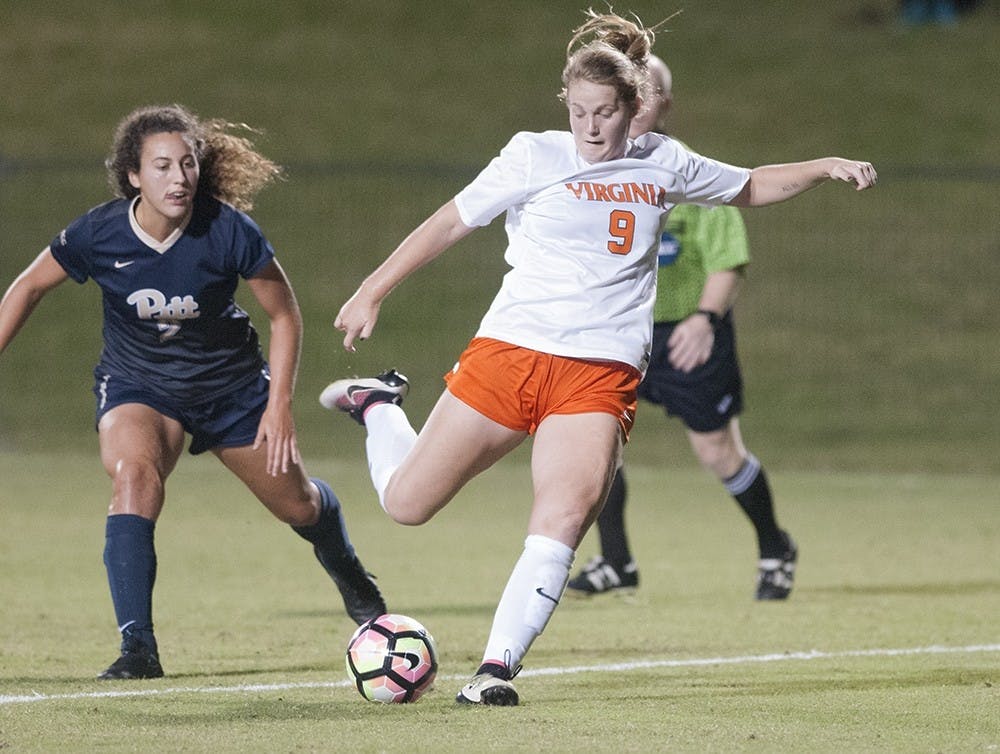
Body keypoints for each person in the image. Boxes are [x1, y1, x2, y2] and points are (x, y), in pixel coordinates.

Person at [321, 10, 876, 706]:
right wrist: (374, 289)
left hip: (598, 372)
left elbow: (752, 184)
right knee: (406, 504)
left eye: (606, 112)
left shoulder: (662, 161)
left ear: (633, 109)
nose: (590, 127)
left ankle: (495, 670)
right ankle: (378, 407)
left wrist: (825, 165)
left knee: (563, 514)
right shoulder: (532, 154)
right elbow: (450, 223)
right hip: (510, 353)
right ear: (566, 104)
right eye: (579, 111)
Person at [0, 104, 386, 680]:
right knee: (134, 475)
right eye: (162, 166)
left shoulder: (226, 229)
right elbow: (28, 286)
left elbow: (284, 316)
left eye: (187, 164)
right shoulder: (98, 233)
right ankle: (139, 649)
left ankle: (353, 578)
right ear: (133, 175)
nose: (178, 177)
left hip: (230, 389)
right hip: (139, 384)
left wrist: (278, 406)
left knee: (297, 504)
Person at [566, 55, 796, 602]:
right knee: (595, 447)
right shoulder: (589, 167)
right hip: (619, 332)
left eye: (650, 93)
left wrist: (704, 319)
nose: (638, 103)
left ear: (663, 104)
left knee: (717, 452)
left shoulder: (686, 169)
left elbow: (728, 259)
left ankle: (774, 547)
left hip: (685, 335)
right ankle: (616, 562)